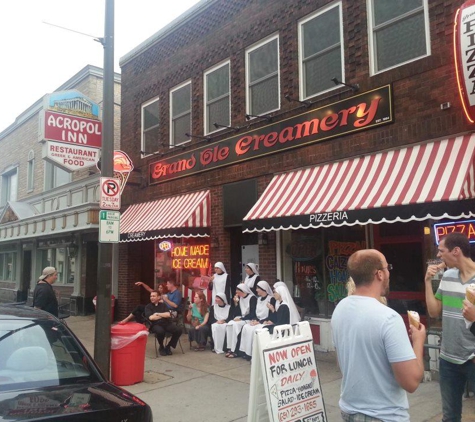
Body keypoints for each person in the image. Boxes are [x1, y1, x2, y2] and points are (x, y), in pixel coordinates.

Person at [332, 249, 425, 421]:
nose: (389, 272)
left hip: (348, 411)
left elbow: (341, 362)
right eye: (387, 267)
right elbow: (411, 382)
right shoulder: (389, 318)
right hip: (383, 416)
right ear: (379, 274)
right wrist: (418, 341)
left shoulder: (340, 309)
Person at [425, 232, 475, 421]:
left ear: (456, 251)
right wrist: (427, 282)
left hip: (472, 359)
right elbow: (433, 312)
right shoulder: (447, 276)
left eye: (441, 251)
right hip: (448, 360)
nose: (438, 255)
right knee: (450, 416)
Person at [239, 280, 275, 360]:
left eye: (258, 288)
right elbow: (256, 313)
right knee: (246, 327)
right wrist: (254, 320)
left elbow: (271, 315)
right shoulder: (258, 299)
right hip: (258, 321)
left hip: (266, 322)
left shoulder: (271, 299)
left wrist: (259, 322)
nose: (256, 290)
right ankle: (246, 352)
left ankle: (253, 354)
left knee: (254, 330)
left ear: (263, 289)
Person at [145, 290, 183, 356]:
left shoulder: (163, 305)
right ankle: (161, 346)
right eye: (151, 296)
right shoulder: (148, 306)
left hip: (166, 323)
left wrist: (157, 314)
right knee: (160, 331)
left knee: (179, 330)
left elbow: (168, 315)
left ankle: (169, 346)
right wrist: (163, 315)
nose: (152, 298)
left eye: (154, 296)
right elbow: (151, 318)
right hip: (155, 324)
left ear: (159, 297)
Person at [225, 284, 257, 358]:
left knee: (236, 325)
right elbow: (237, 313)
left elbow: (253, 313)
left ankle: (235, 350)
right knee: (230, 323)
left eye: (238, 291)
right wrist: (236, 303)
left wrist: (241, 319)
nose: (237, 292)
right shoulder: (241, 298)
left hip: (249, 319)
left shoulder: (252, 298)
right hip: (242, 318)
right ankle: (230, 348)